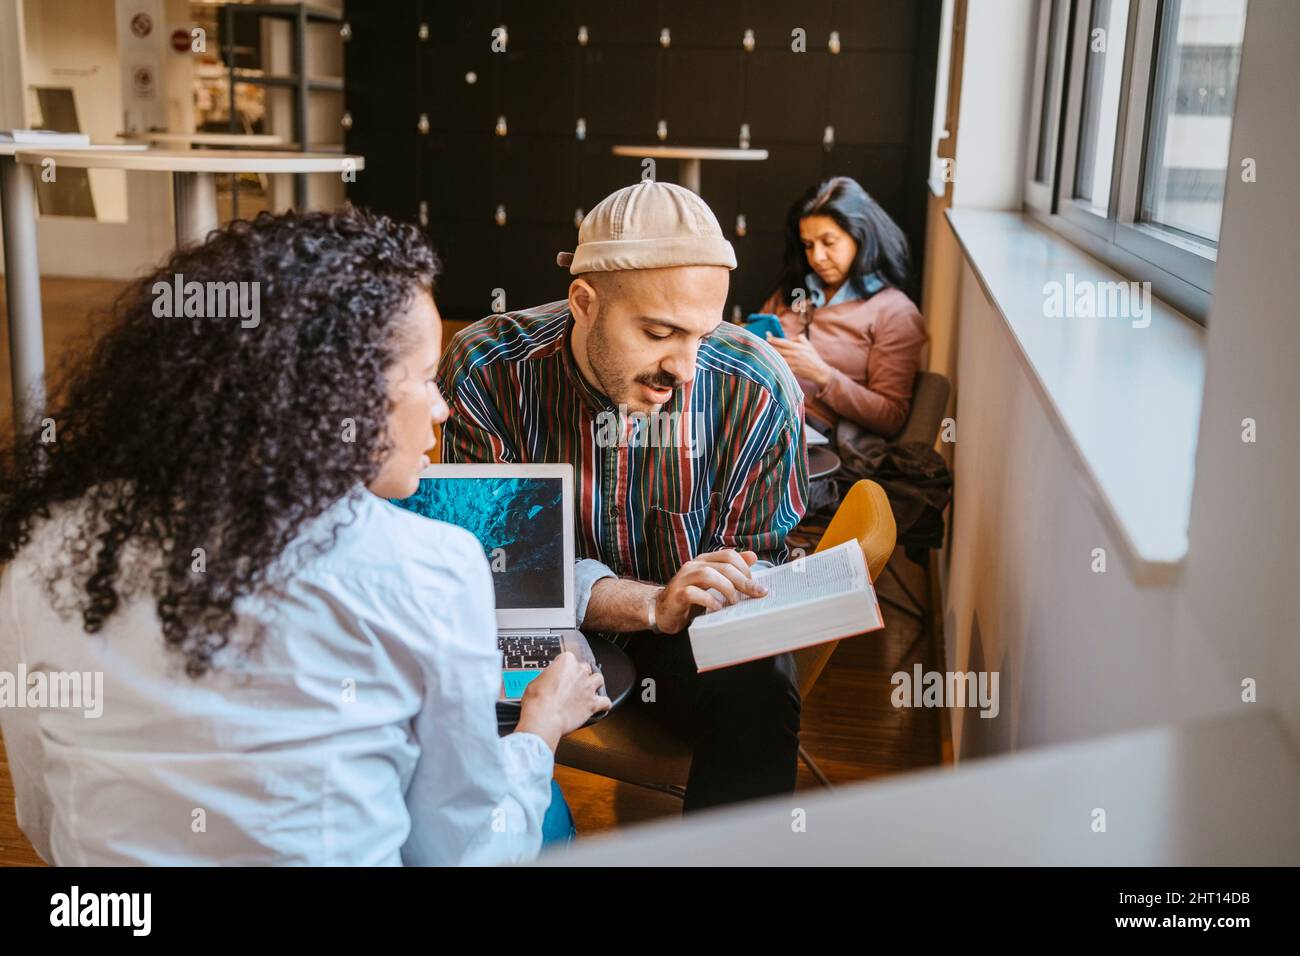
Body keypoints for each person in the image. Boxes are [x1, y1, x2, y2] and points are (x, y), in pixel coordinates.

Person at [0, 207, 607, 866]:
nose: (442, 407)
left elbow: (42, 812)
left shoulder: (43, 549)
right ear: (342, 390)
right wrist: (539, 730)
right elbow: (459, 854)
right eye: (427, 378)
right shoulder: (428, 566)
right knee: (543, 812)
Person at [438, 180, 809, 812]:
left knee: (762, 679)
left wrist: (721, 589)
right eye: (660, 332)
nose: (685, 368)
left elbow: (758, 559)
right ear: (583, 302)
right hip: (538, 626)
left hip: (683, 640)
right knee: (446, 675)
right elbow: (496, 573)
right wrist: (648, 602)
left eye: (701, 334)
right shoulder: (488, 370)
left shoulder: (754, 386)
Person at [761, 176, 927, 441]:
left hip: (811, 440)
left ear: (861, 238)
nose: (817, 257)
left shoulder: (893, 311)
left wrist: (823, 375)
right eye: (808, 245)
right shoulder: (792, 293)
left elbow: (891, 417)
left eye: (829, 242)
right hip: (756, 417)